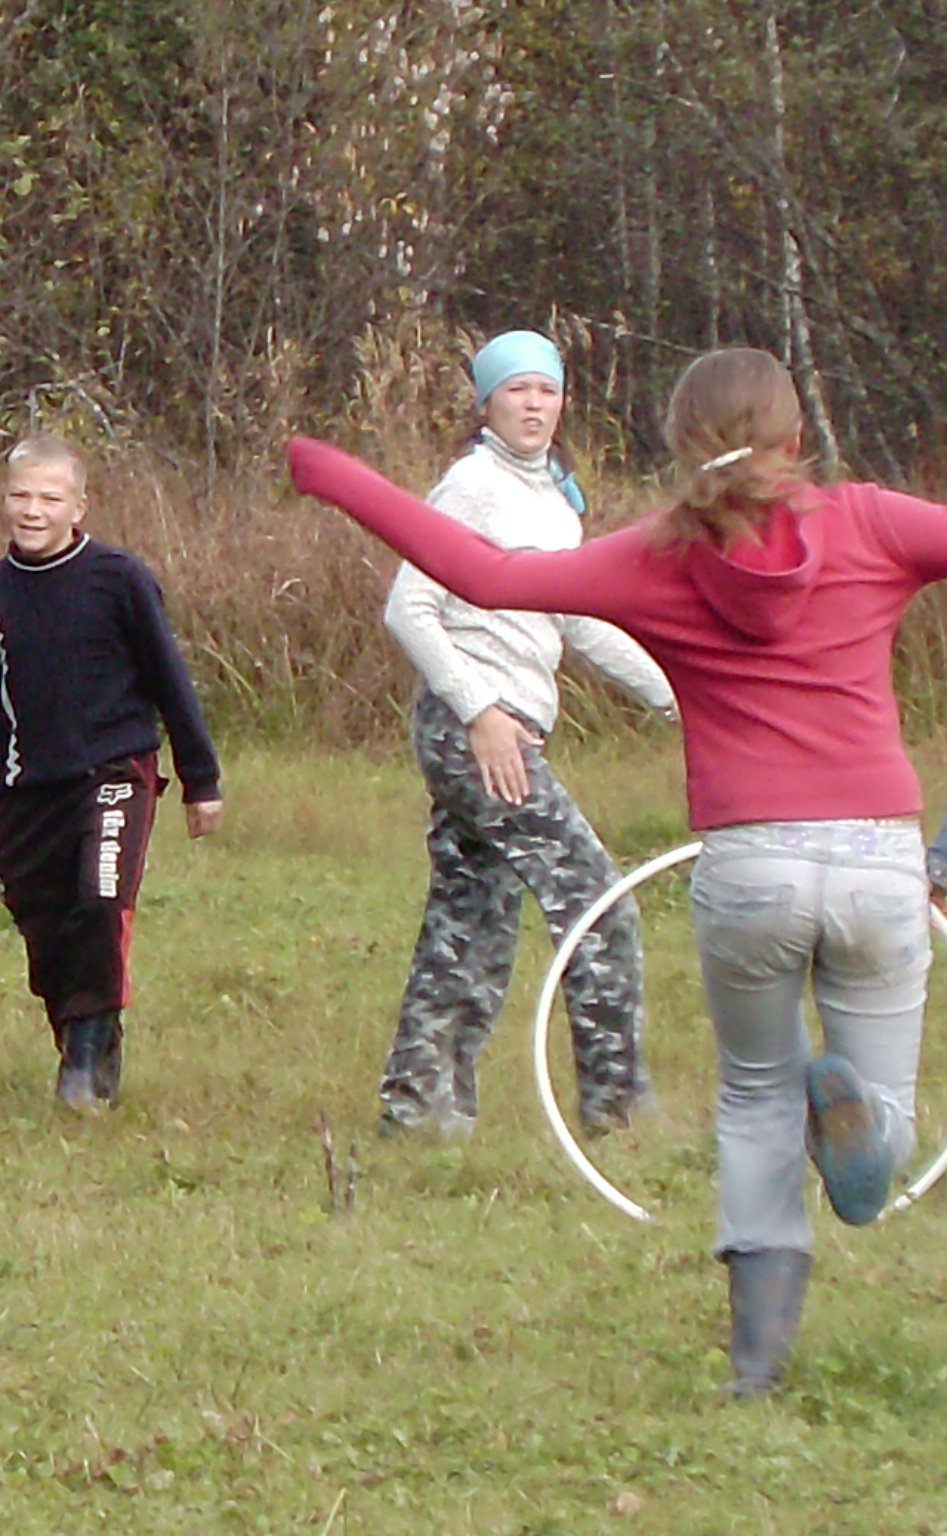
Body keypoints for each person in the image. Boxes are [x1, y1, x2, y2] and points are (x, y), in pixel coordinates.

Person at [288, 346, 947, 1398]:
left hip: (746, 867)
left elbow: (484, 578)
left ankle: (752, 1369)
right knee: (878, 1119)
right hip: (873, 855)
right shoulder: (870, 520)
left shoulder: (658, 554)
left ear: (682, 442)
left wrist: (336, 475)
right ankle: (859, 1123)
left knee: (753, 1098)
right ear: (793, 437)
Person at [378, 333, 675, 1138]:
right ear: (486, 404)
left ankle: (419, 1110)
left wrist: (681, 696)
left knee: (471, 916)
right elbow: (409, 609)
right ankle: (618, 1110)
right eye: (516, 391)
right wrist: (480, 711)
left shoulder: (552, 498)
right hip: (473, 729)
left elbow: (579, 620)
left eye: (547, 389)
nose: (534, 404)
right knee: (598, 905)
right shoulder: (471, 486)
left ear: (563, 401)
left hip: (511, 728)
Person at [0, 434, 221, 1111]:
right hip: (26, 790)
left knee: (100, 903)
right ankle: (87, 1036)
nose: (33, 510)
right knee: (46, 923)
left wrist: (201, 780)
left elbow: (169, 677)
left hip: (113, 769)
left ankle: (80, 1070)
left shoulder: (119, 577)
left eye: (50, 498)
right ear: (3, 500)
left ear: (79, 504)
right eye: (21, 496)